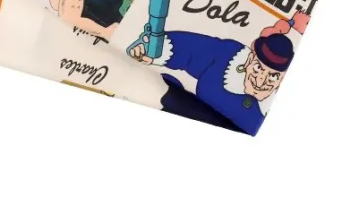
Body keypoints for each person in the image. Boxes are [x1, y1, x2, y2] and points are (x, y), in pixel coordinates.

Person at [128, 11, 309, 135]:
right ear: (249, 59)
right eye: (258, 68)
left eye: (273, 76)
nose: (261, 81)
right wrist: (152, 49)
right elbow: (190, 49)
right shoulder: (229, 56)